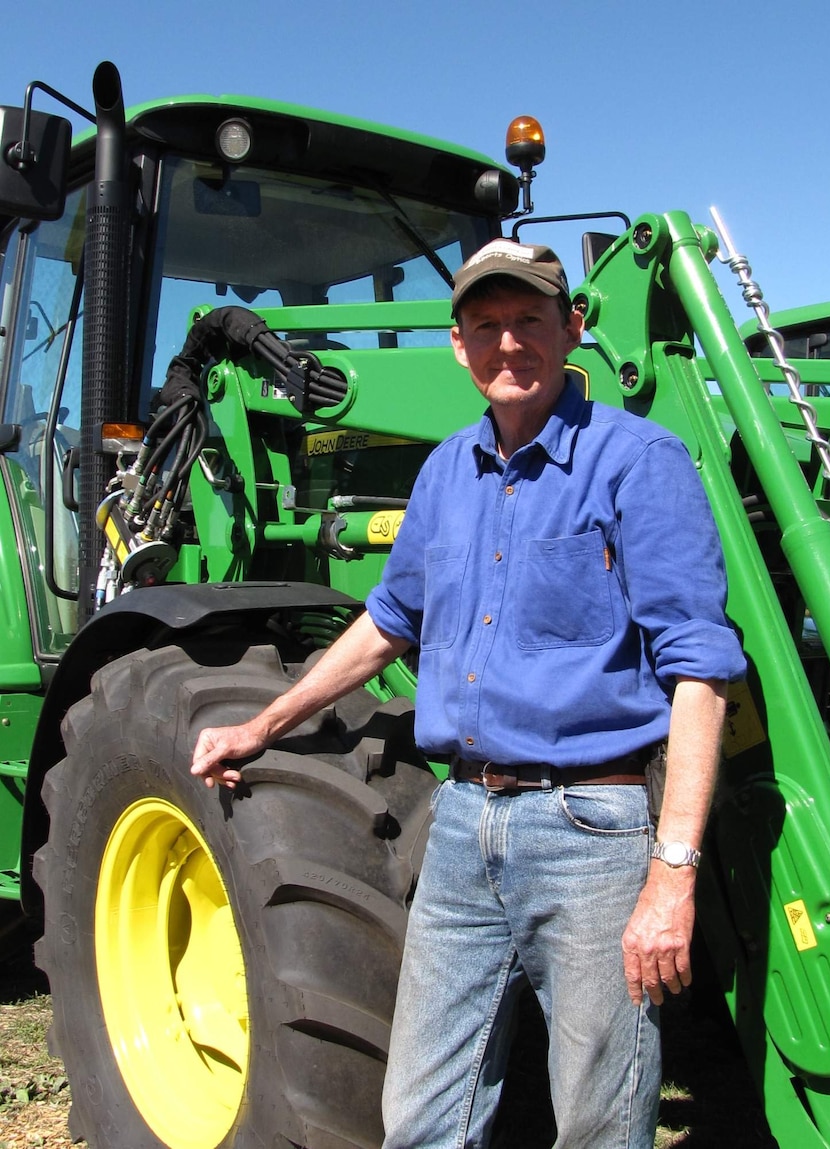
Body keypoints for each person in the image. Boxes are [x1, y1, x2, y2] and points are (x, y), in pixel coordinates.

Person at [191, 239, 747, 1148]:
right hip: (460, 826)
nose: (509, 343)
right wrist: (263, 723)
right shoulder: (444, 471)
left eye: (529, 319)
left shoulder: (638, 462)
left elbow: (700, 673)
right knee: (421, 1118)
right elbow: (386, 625)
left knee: (601, 1123)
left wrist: (671, 878)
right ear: (458, 345)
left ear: (571, 329)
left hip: (593, 831)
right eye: (485, 325)